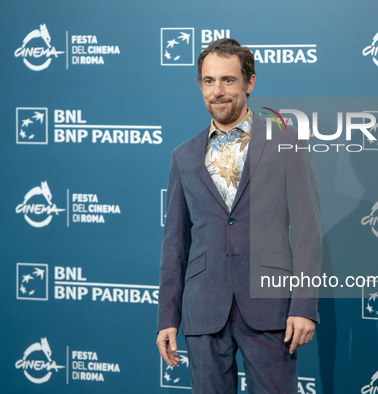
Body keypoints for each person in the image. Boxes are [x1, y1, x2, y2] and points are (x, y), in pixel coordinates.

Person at [156, 38, 322, 393]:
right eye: (209, 81)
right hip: (204, 310)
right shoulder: (183, 156)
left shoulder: (287, 144)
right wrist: (167, 318)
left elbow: (308, 230)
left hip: (270, 308)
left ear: (250, 82)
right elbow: (175, 243)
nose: (217, 91)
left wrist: (304, 306)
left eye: (228, 80)